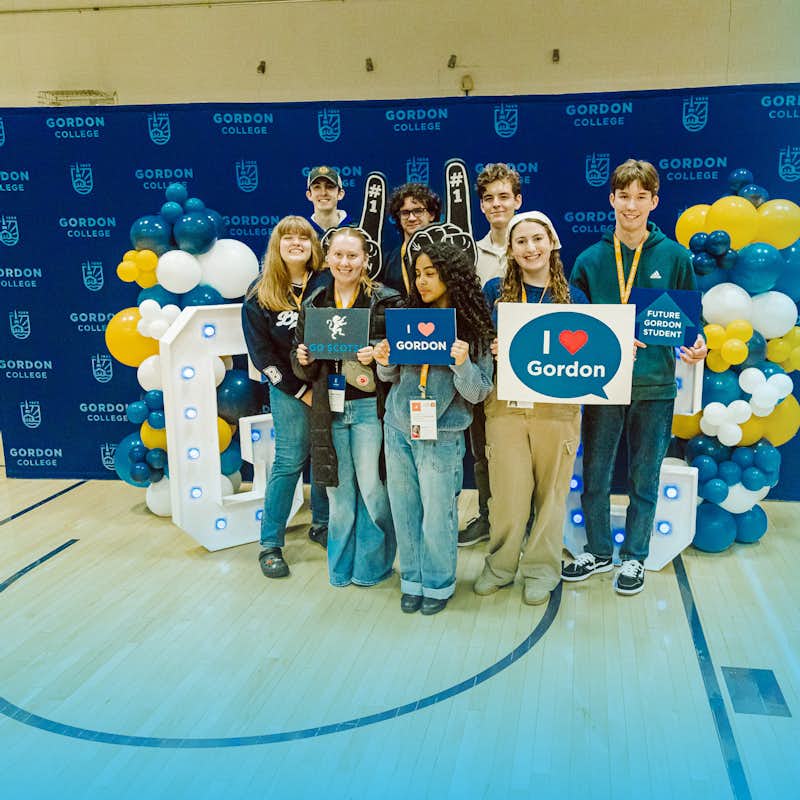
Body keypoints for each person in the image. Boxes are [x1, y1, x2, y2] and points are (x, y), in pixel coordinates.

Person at [562, 159, 707, 595]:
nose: (631, 205)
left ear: (654, 201)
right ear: (611, 199)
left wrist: (698, 346)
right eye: (624, 196)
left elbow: (689, 323)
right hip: (604, 385)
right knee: (598, 474)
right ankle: (600, 550)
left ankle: (636, 557)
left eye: (641, 197)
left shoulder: (675, 256)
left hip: (655, 386)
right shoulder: (590, 260)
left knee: (646, 476)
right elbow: (577, 323)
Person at [374, 241, 494, 615]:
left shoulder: (472, 328)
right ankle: (411, 579)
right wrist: (385, 361)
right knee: (405, 508)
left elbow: (478, 393)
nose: (422, 282)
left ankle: (439, 584)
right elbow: (390, 377)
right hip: (397, 427)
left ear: (451, 275)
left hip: (442, 434)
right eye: (419, 274)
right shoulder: (407, 317)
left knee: (438, 512)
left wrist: (461, 363)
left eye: (431, 273)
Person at [474, 211, 588, 605]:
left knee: (552, 496)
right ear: (511, 249)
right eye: (521, 241)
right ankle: (500, 566)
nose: (530, 248)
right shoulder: (494, 292)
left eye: (538, 239)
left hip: (558, 410)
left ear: (552, 243)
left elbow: (590, 355)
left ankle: (542, 569)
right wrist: (490, 349)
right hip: (506, 406)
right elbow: (478, 345)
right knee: (507, 495)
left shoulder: (574, 297)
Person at [292, 227, 400, 587]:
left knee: (371, 488)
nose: (345, 262)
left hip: (370, 407)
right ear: (327, 258)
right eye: (338, 255)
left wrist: (378, 351)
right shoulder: (314, 304)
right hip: (330, 409)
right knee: (339, 494)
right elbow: (299, 361)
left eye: (353, 256)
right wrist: (302, 357)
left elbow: (398, 355)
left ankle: (374, 564)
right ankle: (339, 567)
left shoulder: (386, 301)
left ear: (366, 260)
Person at [242, 215, 332, 578]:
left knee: (329, 455)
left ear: (314, 246)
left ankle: (323, 525)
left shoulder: (328, 282)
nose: (296, 242)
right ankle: (270, 544)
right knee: (289, 462)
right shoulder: (260, 292)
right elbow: (262, 356)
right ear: (277, 246)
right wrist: (300, 390)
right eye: (288, 237)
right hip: (288, 390)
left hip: (330, 386)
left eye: (304, 237)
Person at [459, 163, 523, 547]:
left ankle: (523, 521)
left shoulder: (537, 243)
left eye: (504, 197)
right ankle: (487, 516)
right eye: (489, 199)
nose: (497, 205)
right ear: (481, 206)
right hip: (485, 367)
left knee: (524, 451)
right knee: (483, 447)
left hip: (528, 366)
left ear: (517, 200)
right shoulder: (469, 253)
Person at [382, 183, 441, 297]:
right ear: (398, 218)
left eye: (418, 211)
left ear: (432, 215)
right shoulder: (388, 262)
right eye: (405, 213)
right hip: (399, 315)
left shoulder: (446, 258)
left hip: (437, 315)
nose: (412, 218)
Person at [306, 166, 348, 236]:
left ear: (340, 194)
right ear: (309, 195)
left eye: (330, 187)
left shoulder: (355, 230)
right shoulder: (303, 231)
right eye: (317, 187)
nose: (323, 193)